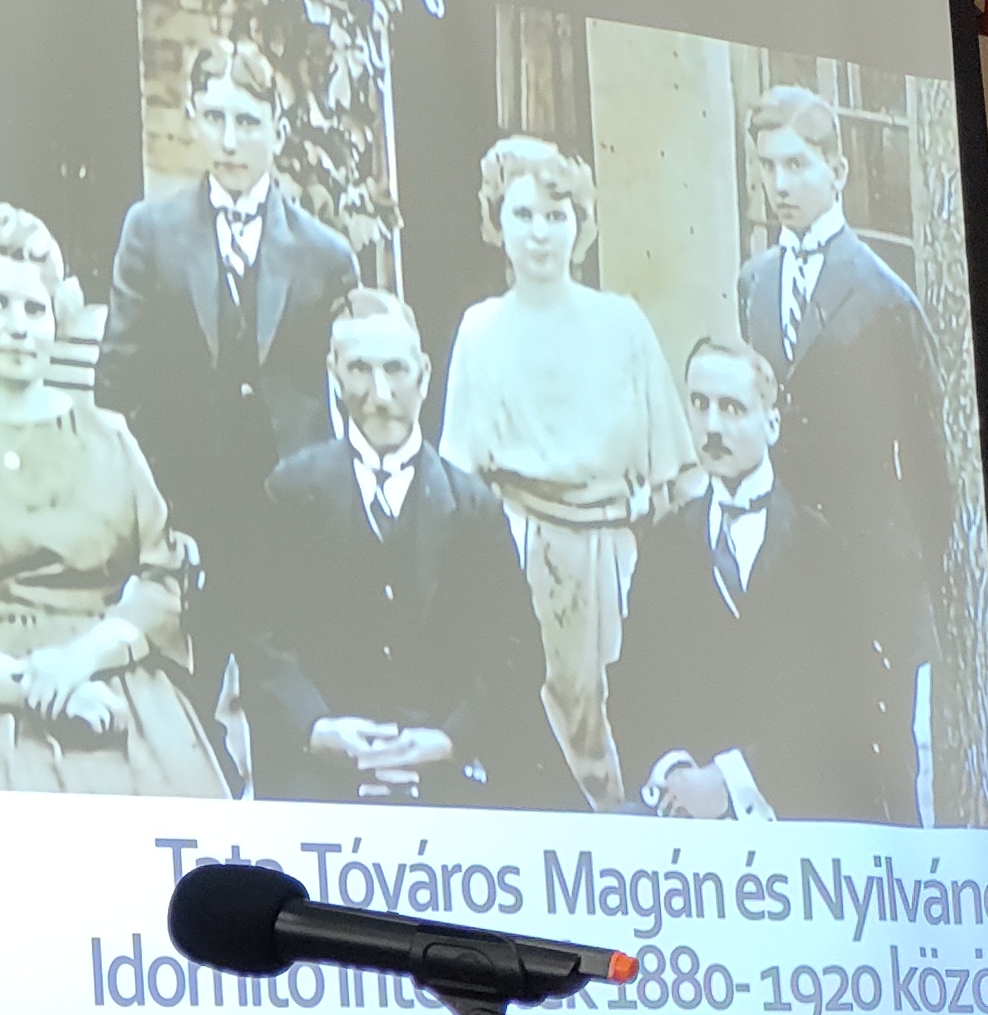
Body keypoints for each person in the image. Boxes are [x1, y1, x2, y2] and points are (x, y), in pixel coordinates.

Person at [0, 201, 241, 1015]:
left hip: (115, 686)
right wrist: (34, 692)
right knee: (14, 901)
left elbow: (160, 577)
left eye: (35, 308)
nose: (18, 326)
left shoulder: (110, 438)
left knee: (170, 885)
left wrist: (81, 662)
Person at [440, 135, 695, 811]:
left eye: (556, 216)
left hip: (613, 557)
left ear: (579, 225)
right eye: (523, 215)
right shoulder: (481, 330)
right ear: (497, 224)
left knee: (620, 716)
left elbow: (677, 473)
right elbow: (456, 481)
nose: (540, 233)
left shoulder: (622, 324)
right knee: (530, 719)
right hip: (517, 554)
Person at [232, 289, 561, 807]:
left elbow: (516, 650)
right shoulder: (291, 493)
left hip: (446, 769)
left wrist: (450, 740)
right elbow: (260, 637)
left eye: (395, 369)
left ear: (424, 376)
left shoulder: (472, 506)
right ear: (334, 375)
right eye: (359, 370)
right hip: (324, 773)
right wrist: (316, 728)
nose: (380, 394)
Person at [610, 340, 910, 823]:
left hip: (800, 818)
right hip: (683, 820)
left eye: (732, 408)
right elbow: (632, 687)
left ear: (772, 424)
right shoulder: (666, 543)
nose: (712, 426)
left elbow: (850, 701)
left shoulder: (821, 545)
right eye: (699, 404)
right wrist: (676, 773)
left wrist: (731, 782)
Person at [95, 38, 361, 553]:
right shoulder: (151, 231)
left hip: (294, 512)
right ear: (193, 120)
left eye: (248, 122)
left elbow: (348, 397)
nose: (230, 141)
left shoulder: (326, 256)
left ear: (278, 131)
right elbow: (117, 380)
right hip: (183, 505)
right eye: (215, 119)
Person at [734, 86, 939, 554]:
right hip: (781, 547)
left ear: (838, 172)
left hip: (867, 549)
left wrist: (916, 563)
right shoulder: (753, 284)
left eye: (796, 164)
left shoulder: (885, 297)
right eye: (768, 166)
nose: (779, 185)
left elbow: (924, 456)